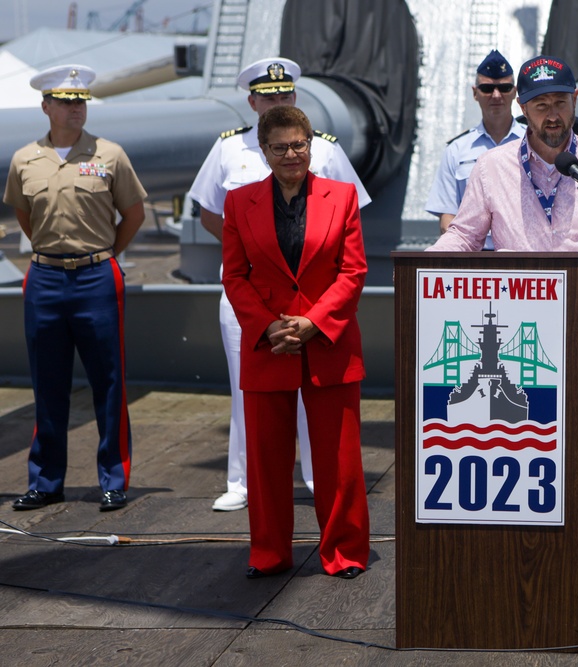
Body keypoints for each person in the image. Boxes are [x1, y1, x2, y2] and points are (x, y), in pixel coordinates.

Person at [428, 55, 578, 447]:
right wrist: (425, 266)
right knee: (523, 436)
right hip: (518, 319)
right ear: (522, 108)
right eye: (541, 106)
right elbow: (464, 235)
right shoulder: (491, 167)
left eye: (560, 104)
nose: (553, 116)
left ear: (576, 100)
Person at [188, 57, 371, 512]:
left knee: (319, 396)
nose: (277, 101)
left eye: (286, 94)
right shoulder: (229, 150)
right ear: (251, 101)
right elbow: (212, 211)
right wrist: (253, 250)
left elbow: (348, 212)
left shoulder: (323, 150)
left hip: (314, 300)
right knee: (246, 391)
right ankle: (243, 482)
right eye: (268, 96)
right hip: (249, 295)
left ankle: (315, 478)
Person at [222, 105, 370, 579]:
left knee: (339, 460)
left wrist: (313, 323)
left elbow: (353, 272)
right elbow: (235, 275)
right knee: (265, 464)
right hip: (268, 345)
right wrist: (267, 326)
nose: (292, 154)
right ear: (263, 151)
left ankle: (344, 551)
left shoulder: (342, 196)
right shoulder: (238, 203)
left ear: (312, 144)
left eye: (299, 144)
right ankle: (268, 553)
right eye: (280, 146)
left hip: (328, 343)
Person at [4, 65, 146, 512]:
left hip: (97, 277)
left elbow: (134, 214)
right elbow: (24, 216)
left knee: (108, 380)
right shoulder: (25, 159)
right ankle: (46, 481)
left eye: (80, 101)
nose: (75, 109)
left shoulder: (111, 154)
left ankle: (113, 479)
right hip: (44, 277)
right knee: (48, 383)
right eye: (66, 102)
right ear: (46, 107)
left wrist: (102, 254)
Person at [425, 49, 525, 241]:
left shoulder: (531, 143)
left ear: (515, 92)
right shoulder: (456, 150)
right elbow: (447, 216)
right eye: (487, 89)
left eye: (504, 88)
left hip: (522, 255)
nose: (496, 96)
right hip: (473, 258)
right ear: (475, 93)